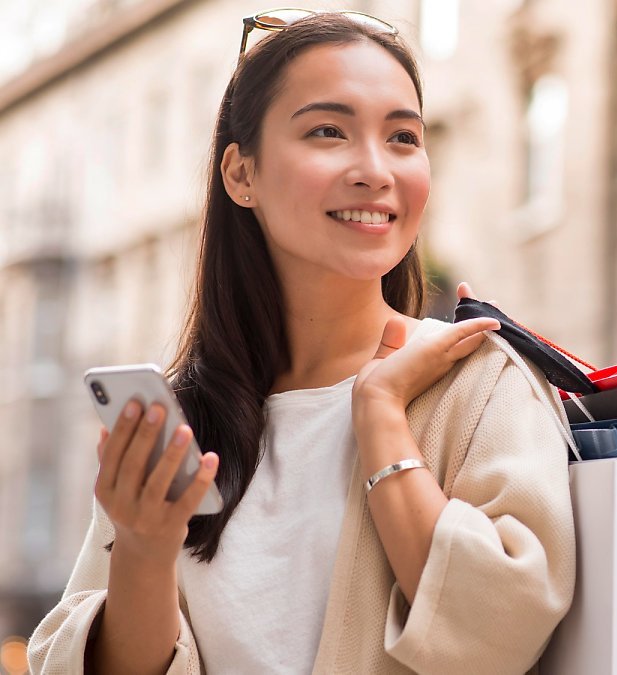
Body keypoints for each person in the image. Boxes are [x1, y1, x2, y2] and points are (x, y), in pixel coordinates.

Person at [28, 10, 576, 675]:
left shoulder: (479, 381)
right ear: (242, 175)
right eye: (328, 131)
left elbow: (501, 634)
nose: (375, 170)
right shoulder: (181, 422)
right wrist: (143, 550)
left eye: (403, 137)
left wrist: (381, 417)